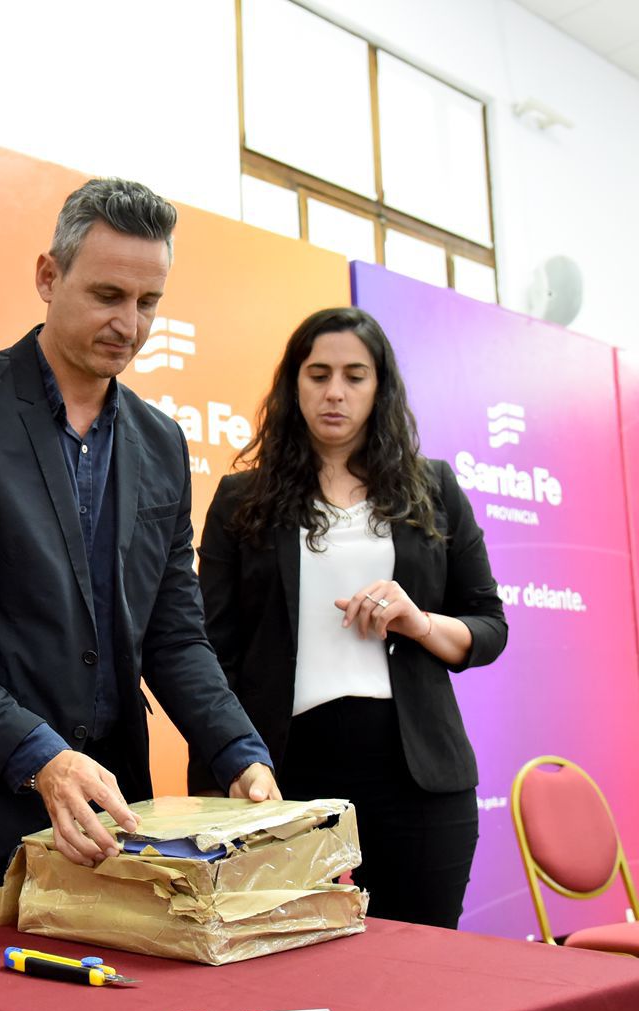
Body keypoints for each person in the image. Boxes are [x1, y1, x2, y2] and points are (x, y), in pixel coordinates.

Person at [0, 178, 281, 935]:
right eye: (107, 295)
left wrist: (238, 752)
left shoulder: (162, 442)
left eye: (148, 302)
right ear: (48, 276)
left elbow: (173, 633)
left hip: (107, 819)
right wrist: (42, 757)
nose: (129, 324)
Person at [189, 307, 506, 929]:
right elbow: (210, 650)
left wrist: (419, 621)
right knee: (287, 959)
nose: (335, 392)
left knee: (422, 959)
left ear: (379, 387)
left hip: (418, 777)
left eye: (355, 376)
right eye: (319, 374)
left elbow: (488, 625)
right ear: (294, 385)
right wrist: (222, 765)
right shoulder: (241, 500)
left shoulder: (434, 488)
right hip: (282, 773)